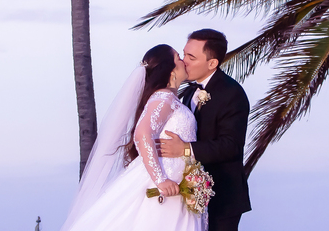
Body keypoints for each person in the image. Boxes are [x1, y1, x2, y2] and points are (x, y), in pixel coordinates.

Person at [60, 44, 205, 231]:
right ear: (170, 71)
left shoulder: (171, 99)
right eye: (179, 57)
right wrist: (160, 179)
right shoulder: (164, 98)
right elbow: (142, 133)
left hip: (178, 186)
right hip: (163, 186)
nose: (184, 61)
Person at [157, 29, 250, 231]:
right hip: (189, 193)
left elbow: (230, 146)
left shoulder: (232, 93)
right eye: (183, 55)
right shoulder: (189, 90)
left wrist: (185, 149)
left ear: (212, 63)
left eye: (191, 57)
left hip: (222, 196)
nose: (183, 62)